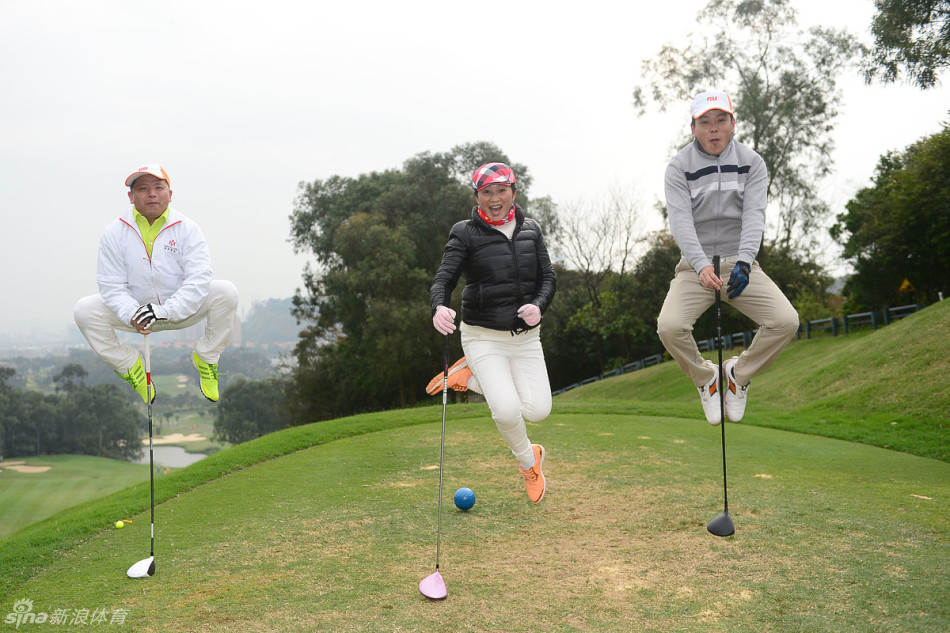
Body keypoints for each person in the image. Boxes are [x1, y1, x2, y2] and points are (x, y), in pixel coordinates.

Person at [657, 91, 799, 425]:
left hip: (740, 265)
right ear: (693, 129)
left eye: (721, 120)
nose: (714, 128)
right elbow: (681, 223)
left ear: (733, 124)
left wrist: (746, 262)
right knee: (670, 326)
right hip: (695, 267)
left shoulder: (752, 162)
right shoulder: (679, 167)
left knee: (785, 321)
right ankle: (707, 379)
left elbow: (754, 216)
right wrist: (701, 265)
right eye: (705, 122)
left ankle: (737, 375)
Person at [428, 162, 556, 503]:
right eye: (487, 192)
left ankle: (468, 377)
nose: (494, 198)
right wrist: (439, 306)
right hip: (482, 335)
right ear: (477, 196)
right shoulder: (464, 233)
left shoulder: (531, 229)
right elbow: (444, 279)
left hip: (526, 338)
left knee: (538, 410)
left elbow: (548, 278)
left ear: (514, 192)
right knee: (504, 409)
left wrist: (540, 305)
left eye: (501, 190)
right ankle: (529, 463)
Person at [74, 164, 238, 404]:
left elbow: (198, 279)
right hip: (136, 313)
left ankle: (207, 357)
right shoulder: (113, 232)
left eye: (158, 187)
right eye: (143, 188)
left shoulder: (189, 229)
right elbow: (111, 284)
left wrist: (165, 311)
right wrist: (133, 313)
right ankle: (130, 365)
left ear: (170, 194)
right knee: (84, 310)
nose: (151, 193)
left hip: (180, 310)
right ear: (131, 197)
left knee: (226, 291)